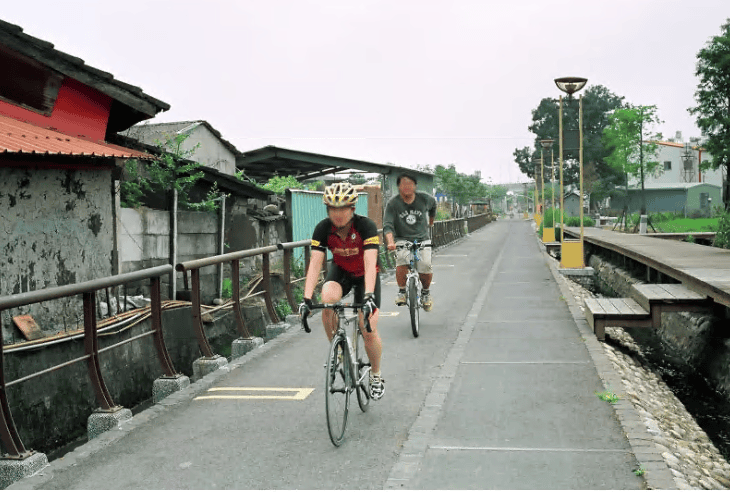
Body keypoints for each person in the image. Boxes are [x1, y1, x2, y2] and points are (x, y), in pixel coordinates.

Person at [299, 182, 385, 400]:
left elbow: (370, 261)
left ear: (352, 209)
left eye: (343, 208)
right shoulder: (323, 229)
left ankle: (375, 374)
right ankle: (338, 351)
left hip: (366, 275)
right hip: (342, 273)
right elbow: (315, 263)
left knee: (368, 329)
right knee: (327, 298)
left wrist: (368, 298)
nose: (338, 214)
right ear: (327, 209)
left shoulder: (365, 227)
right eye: (333, 209)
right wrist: (306, 298)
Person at [383, 172, 437, 311]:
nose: (407, 187)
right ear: (398, 187)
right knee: (401, 260)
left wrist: (431, 221)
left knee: (425, 265)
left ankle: (425, 293)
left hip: (422, 239)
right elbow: (388, 225)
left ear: (415, 186)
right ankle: (402, 291)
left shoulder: (424, 199)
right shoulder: (393, 204)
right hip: (402, 239)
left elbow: (433, 205)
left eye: (410, 184)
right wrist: (390, 242)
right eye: (403, 184)